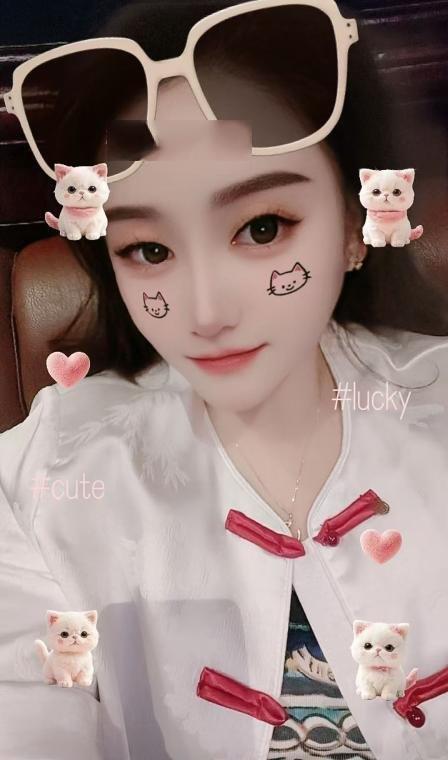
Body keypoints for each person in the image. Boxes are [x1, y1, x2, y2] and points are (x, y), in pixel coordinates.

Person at [0, 2, 447, 759]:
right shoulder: (48, 474)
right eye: (148, 249)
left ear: (354, 220)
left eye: (261, 228)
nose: (204, 314)